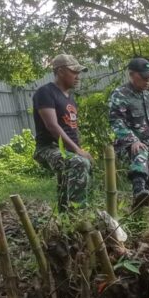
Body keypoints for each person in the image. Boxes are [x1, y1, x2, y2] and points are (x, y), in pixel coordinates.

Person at [32, 54, 92, 211]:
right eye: (74, 72)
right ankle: (79, 215)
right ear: (60, 71)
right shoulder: (45, 92)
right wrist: (77, 151)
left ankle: (65, 218)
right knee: (79, 163)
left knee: (70, 180)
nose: (78, 77)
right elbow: (52, 126)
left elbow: (71, 129)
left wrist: (79, 148)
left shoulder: (69, 98)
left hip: (66, 150)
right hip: (48, 148)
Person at [109, 57, 149, 208]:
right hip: (131, 149)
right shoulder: (120, 94)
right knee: (140, 184)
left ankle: (141, 219)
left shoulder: (148, 96)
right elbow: (116, 122)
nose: (148, 80)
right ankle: (139, 190)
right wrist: (133, 140)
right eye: (144, 77)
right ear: (132, 75)